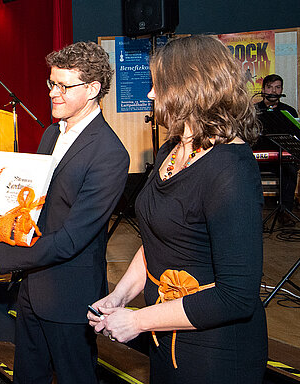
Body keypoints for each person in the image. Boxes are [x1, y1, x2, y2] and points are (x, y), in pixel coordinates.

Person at [88, 35, 267, 384]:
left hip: (215, 352)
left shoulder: (231, 171)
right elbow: (159, 239)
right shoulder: (171, 148)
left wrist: (139, 320)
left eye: (159, 85)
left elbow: (237, 297)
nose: (152, 94)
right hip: (166, 335)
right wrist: (119, 296)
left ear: (192, 89)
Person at [0, 41, 129, 384]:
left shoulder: (110, 153)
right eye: (51, 83)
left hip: (69, 297)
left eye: (64, 86)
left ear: (93, 89)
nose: (53, 93)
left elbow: (72, 239)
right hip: (32, 288)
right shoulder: (51, 133)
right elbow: (34, 208)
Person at [255, 74, 299, 225]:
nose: (273, 91)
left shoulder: (289, 112)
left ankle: (285, 212)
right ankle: (252, 213)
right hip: (258, 157)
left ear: (282, 90)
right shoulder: (253, 111)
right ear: (263, 89)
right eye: (269, 87)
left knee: (291, 169)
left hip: (281, 157)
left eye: (277, 87)